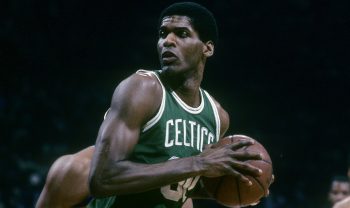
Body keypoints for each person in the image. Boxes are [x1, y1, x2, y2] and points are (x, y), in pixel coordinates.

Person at [87, 2, 265, 208]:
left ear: (207, 48)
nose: (167, 41)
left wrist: (245, 188)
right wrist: (198, 163)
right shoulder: (142, 89)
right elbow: (102, 179)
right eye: (163, 33)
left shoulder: (217, 116)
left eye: (181, 34)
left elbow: (177, 186)